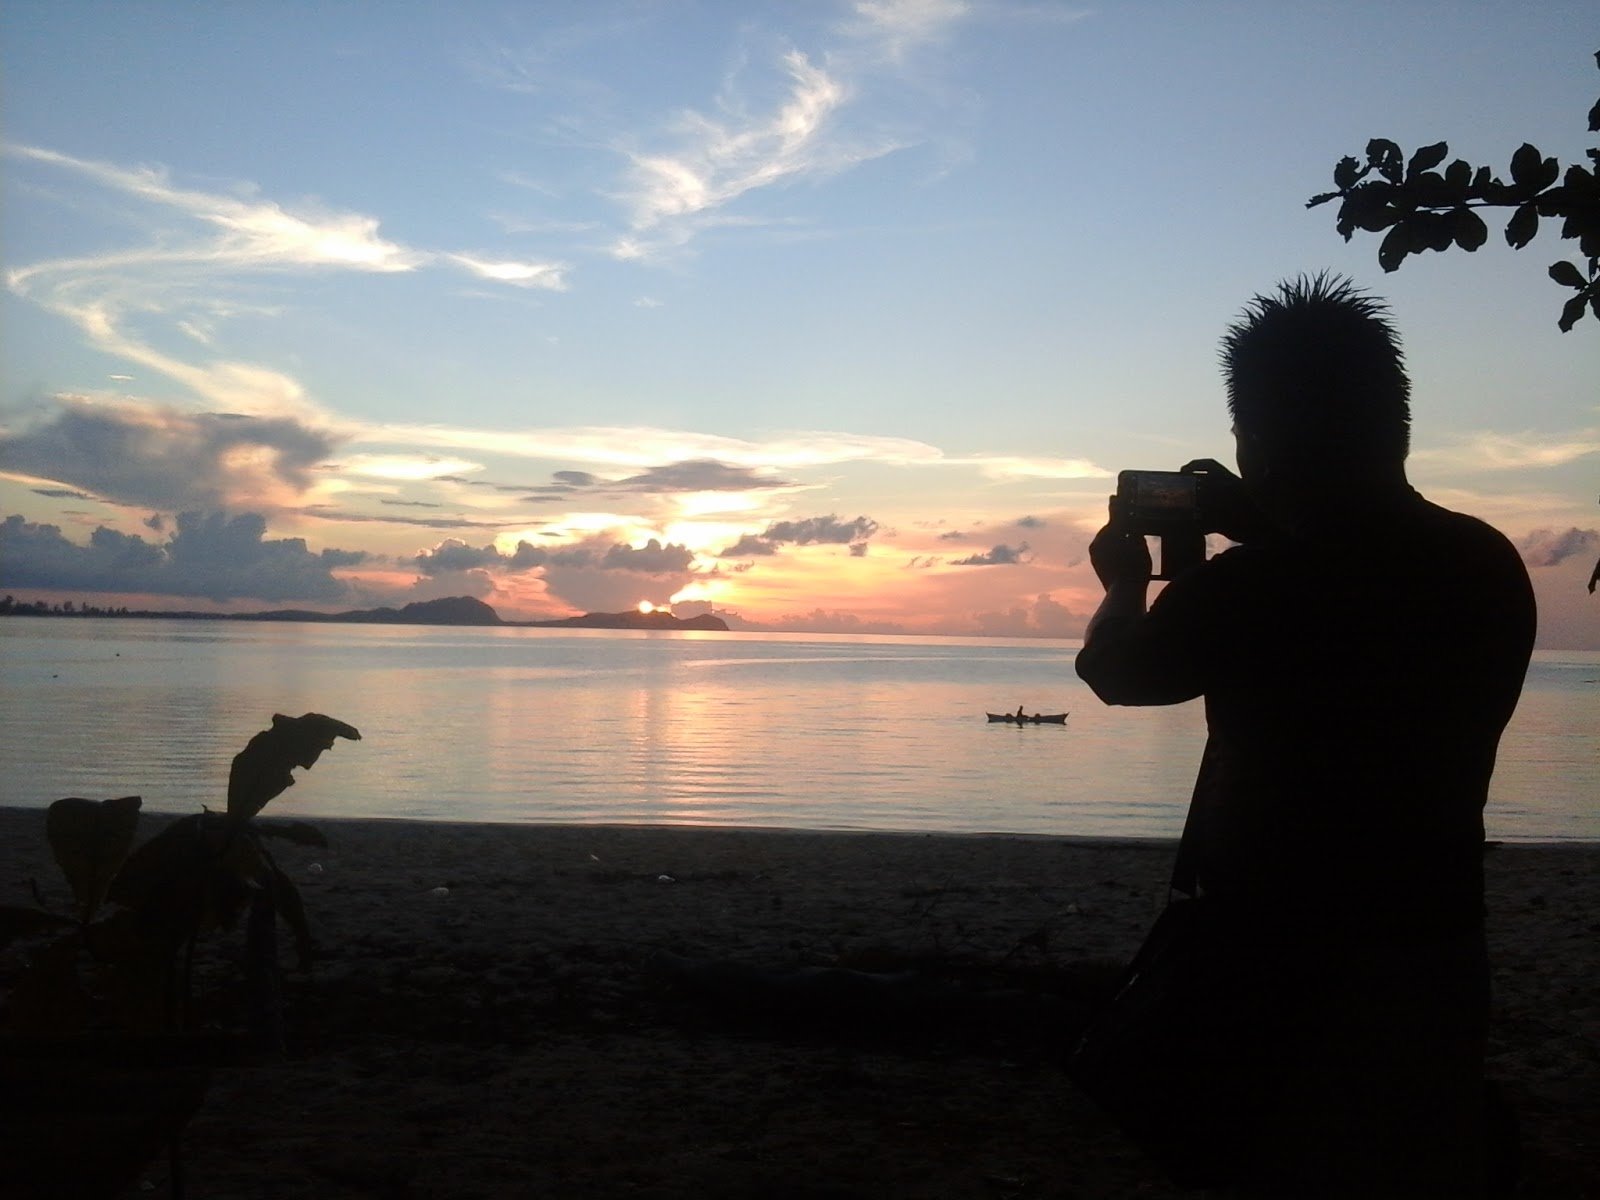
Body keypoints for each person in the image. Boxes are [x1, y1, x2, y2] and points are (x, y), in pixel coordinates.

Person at [1075, 274, 1535, 1197]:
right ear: (1392, 421)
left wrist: (1125, 578)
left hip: (1280, 961)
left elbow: (1121, 673)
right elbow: (1363, 563)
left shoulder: (1254, 587)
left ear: (1260, 438)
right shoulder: (1485, 560)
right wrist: (1261, 518)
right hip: (1436, 940)